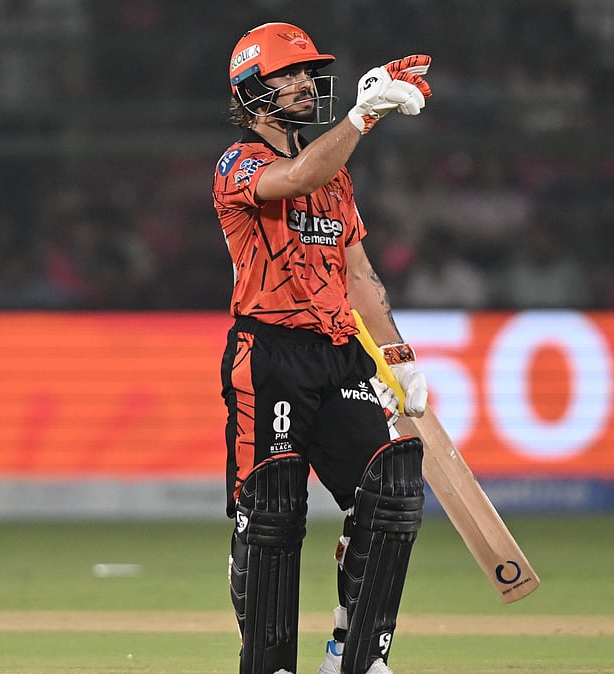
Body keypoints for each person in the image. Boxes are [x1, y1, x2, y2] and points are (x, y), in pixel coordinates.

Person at [211, 22, 433, 674]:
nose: (306, 82)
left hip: (338, 352)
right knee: (276, 513)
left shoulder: (338, 178)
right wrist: (366, 115)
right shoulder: (238, 163)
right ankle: (270, 663)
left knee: (393, 482)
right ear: (253, 90)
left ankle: (356, 657)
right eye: (289, 73)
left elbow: (358, 274)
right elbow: (298, 174)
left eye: (309, 72)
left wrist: (399, 357)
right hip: (270, 350)